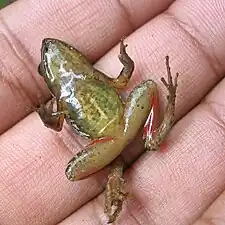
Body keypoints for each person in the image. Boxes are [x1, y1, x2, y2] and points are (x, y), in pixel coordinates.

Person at [0, 0, 224, 224]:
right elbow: (122, 79)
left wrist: (47, 117)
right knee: (72, 170)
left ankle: (126, 158)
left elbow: (120, 80)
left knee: (148, 89)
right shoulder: (74, 90)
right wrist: (48, 117)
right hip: (114, 131)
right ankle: (127, 158)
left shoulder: (83, 82)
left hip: (114, 133)